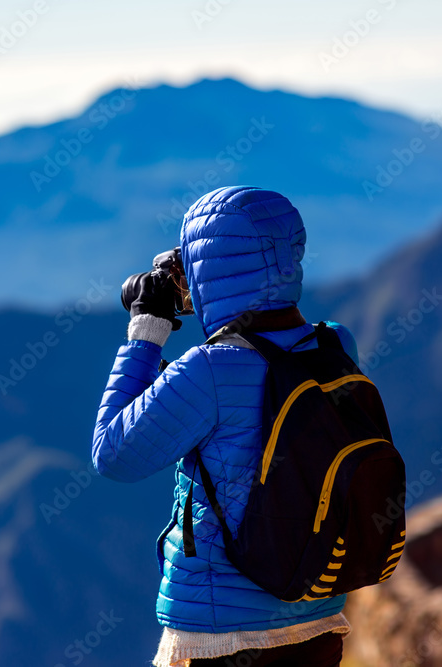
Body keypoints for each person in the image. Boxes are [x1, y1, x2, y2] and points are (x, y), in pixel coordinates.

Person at [92, 186, 361, 666]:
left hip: (220, 636)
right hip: (317, 617)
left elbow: (114, 454)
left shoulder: (210, 371)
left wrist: (146, 331)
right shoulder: (337, 347)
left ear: (211, 273)